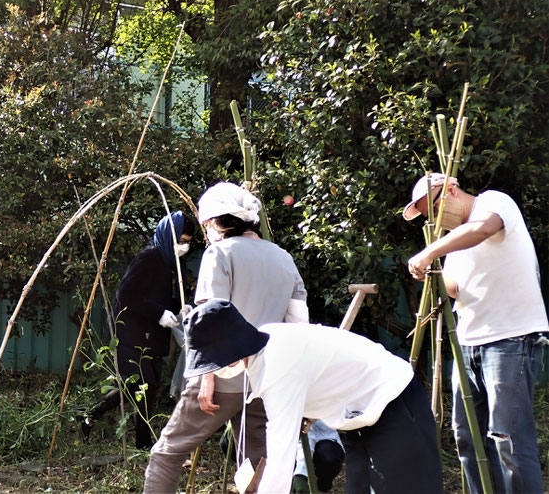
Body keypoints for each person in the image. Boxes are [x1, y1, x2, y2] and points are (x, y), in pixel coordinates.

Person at [144, 182, 308, 493]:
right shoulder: (284, 258)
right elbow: (299, 323)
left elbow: (210, 318)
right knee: (258, 460)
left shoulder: (218, 253)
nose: (206, 232)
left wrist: (206, 376)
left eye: (206, 225)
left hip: (223, 376)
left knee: (167, 451)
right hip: (267, 380)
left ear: (217, 223)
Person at [185, 299, 444, 494]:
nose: (216, 371)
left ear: (232, 350)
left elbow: (281, 455)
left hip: (393, 401)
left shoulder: (278, 365)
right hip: (360, 418)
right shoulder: (266, 343)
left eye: (215, 363)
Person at [403, 173, 548, 494]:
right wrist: (433, 274)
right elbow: (456, 288)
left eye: (436, 210)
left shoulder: (493, 202)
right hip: (468, 345)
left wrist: (429, 252)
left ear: (452, 190)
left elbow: (482, 229)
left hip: (510, 339)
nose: (436, 221)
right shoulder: (455, 243)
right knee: (468, 439)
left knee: (508, 440)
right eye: (431, 217)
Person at [82, 211, 195, 450]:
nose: (184, 246)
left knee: (138, 385)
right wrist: (159, 313)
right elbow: (127, 294)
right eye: (181, 241)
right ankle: (141, 442)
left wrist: (179, 307)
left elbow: (161, 296)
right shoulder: (151, 256)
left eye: (188, 242)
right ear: (168, 235)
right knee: (142, 384)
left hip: (149, 331)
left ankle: (92, 417)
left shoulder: (170, 261)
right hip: (130, 329)